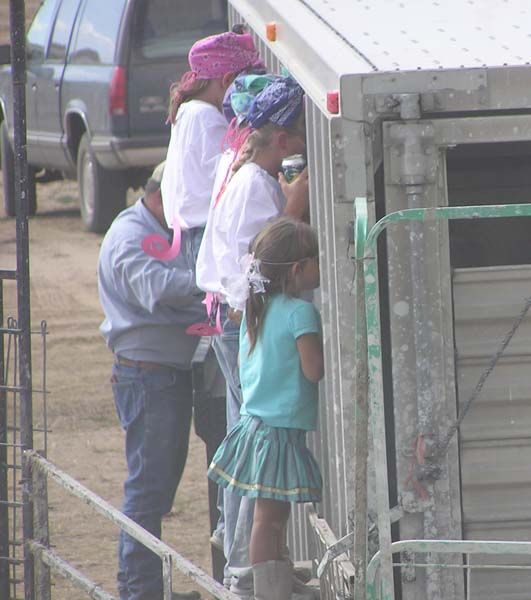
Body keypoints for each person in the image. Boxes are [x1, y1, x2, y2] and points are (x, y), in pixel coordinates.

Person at [196, 77, 311, 599]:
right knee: (259, 472)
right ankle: (248, 573)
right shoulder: (253, 186)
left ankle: (254, 567)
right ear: (282, 140)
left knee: (256, 466)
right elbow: (269, 252)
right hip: (242, 316)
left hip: (240, 315)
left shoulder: (250, 174)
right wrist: (301, 199)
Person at [98, 163, 205, 600]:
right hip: (147, 375)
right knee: (147, 488)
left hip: (160, 373)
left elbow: (167, 294)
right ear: (161, 196)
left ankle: (145, 587)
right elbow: (155, 288)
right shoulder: (130, 235)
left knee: (156, 486)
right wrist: (211, 281)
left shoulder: (159, 229)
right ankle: (139, 591)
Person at [208, 217, 324, 600]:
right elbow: (313, 370)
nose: (319, 266)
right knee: (269, 519)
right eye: (315, 259)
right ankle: (268, 591)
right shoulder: (300, 313)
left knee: (274, 516)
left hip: (258, 425)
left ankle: (276, 577)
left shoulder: (255, 310)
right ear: (297, 269)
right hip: (277, 430)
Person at [160, 30, 263, 260]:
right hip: (203, 233)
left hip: (187, 233)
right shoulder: (206, 117)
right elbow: (229, 174)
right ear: (227, 80)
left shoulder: (188, 110)